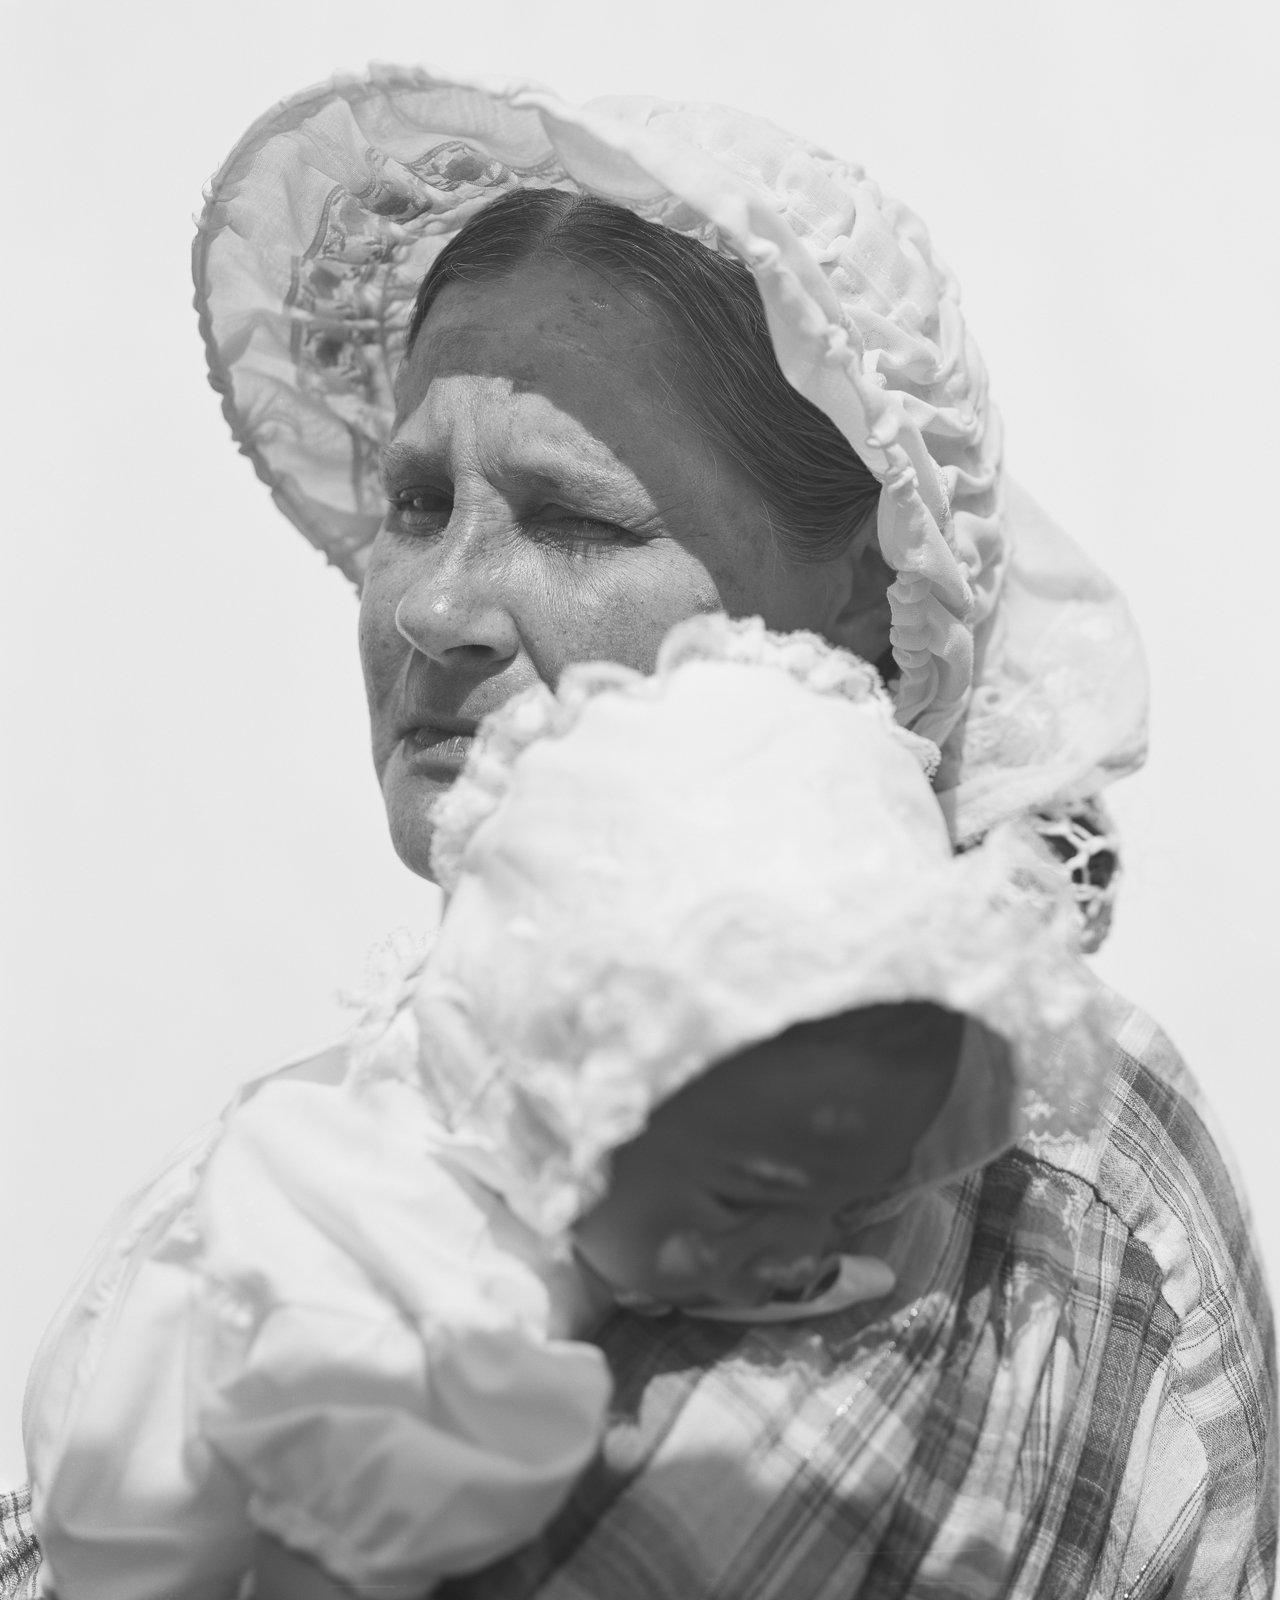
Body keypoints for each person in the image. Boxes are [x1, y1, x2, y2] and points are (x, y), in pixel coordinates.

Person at [2, 65, 1274, 1600]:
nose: (434, 605)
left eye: (576, 519)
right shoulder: (400, 1117)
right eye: (414, 505)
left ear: (866, 607)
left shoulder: (973, 1159)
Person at [21, 616, 1102, 1600]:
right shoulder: (392, 1280)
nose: (800, 1251)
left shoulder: (639, 1182)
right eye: (748, 1198)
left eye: (846, 1201)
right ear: (567, 1102)